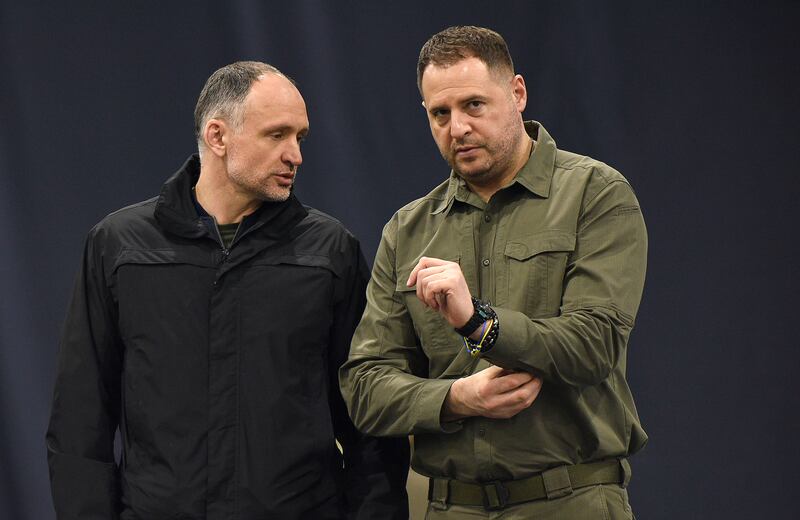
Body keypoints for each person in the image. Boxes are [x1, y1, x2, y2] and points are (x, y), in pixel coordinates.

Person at [46, 61, 409, 520]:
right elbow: (80, 419)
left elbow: (368, 418)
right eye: (277, 135)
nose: (295, 155)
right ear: (217, 136)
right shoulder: (119, 246)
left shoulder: (329, 250)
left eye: (300, 137)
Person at [340, 26, 647, 518]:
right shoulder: (407, 230)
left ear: (517, 93)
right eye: (440, 113)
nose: (457, 128)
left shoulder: (595, 193)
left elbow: (595, 344)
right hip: (452, 505)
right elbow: (365, 388)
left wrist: (478, 324)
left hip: (570, 500)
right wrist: (455, 398)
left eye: (474, 105)